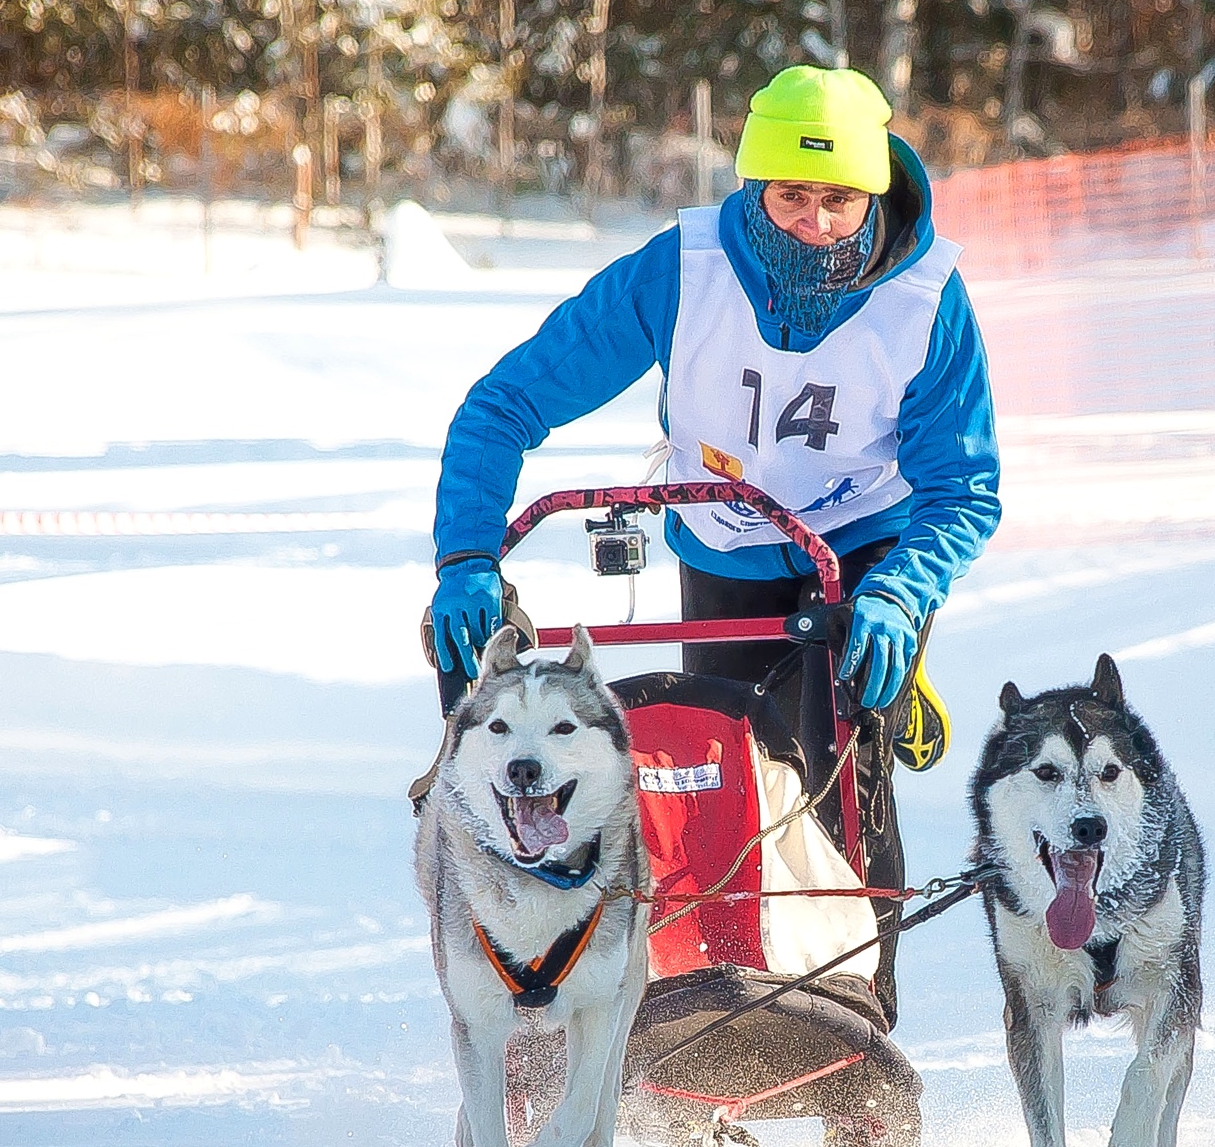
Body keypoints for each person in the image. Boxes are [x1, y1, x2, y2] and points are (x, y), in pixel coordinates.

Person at [427, 64, 1000, 1022]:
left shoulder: (926, 298)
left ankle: (857, 1024)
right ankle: (707, 1008)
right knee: (712, 764)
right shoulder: (683, 268)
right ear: (753, 189)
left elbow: (963, 487)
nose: (816, 223)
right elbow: (503, 405)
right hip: (725, 542)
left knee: (837, 776)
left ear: (874, 193)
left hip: (863, 552)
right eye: (792, 197)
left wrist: (904, 590)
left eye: (840, 201)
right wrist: (466, 559)